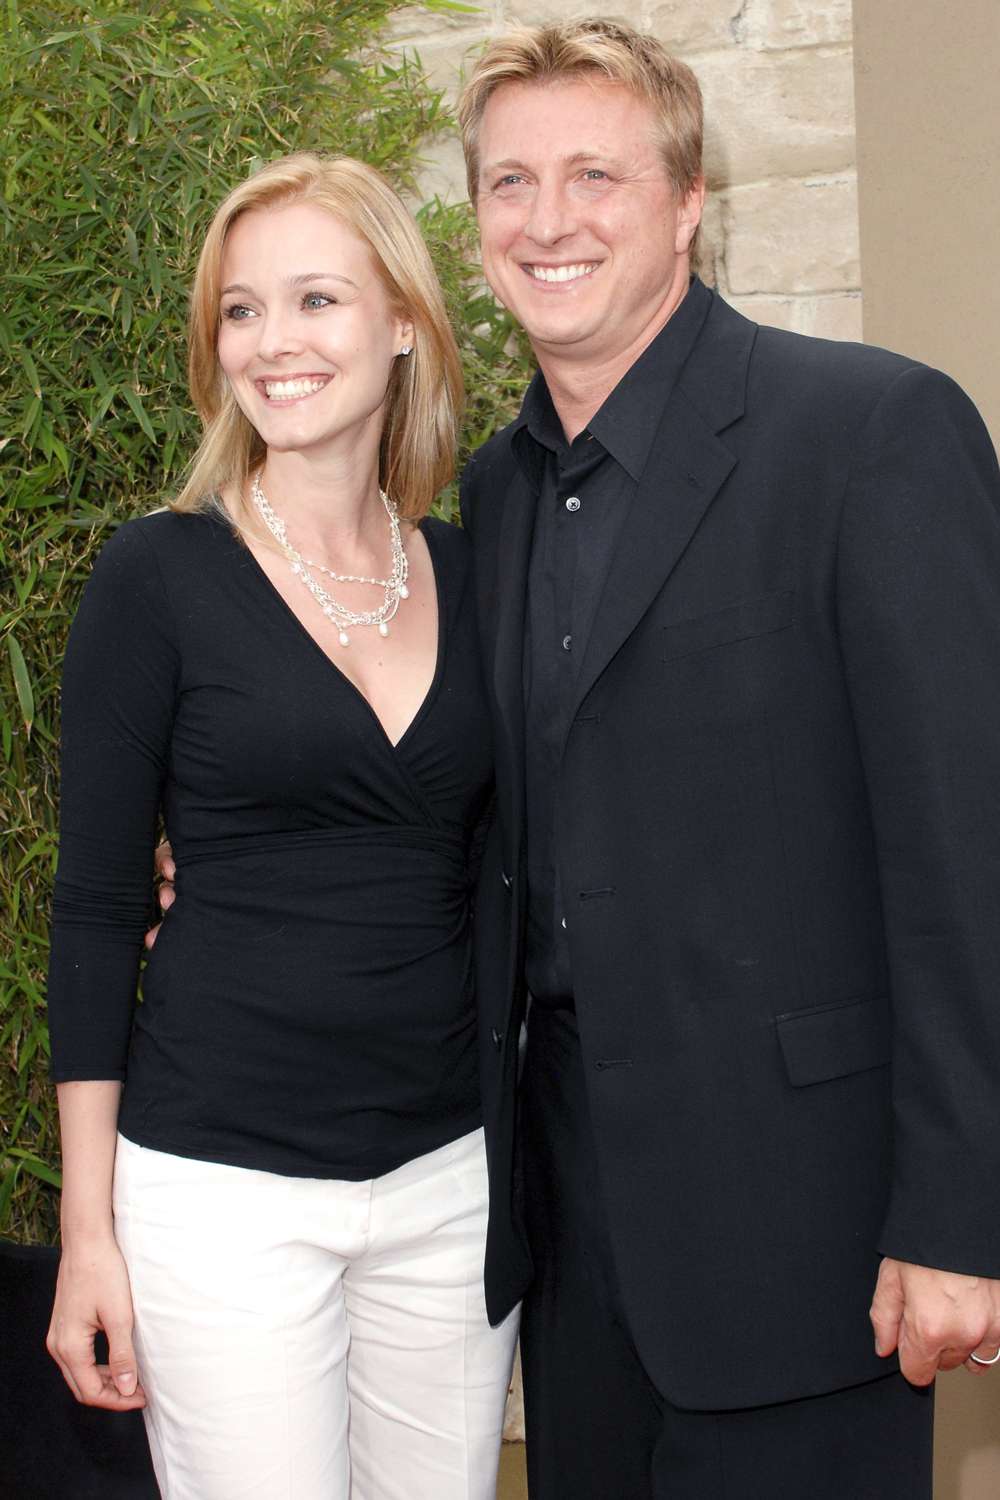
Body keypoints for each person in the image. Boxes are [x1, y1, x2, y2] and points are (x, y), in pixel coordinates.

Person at [452, 20, 1000, 1500]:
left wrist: (963, 1217)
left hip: (815, 1241)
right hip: (573, 1243)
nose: (547, 220)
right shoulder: (487, 497)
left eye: (592, 176)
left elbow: (966, 858)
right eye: (509, 183)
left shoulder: (872, 433)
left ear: (689, 201)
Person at [44, 152, 517, 1500]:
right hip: (222, 1192)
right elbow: (92, 906)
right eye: (240, 311)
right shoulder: (159, 576)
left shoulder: (478, 571)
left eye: (315, 298)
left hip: (449, 1181)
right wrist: (90, 1233)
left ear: (405, 324)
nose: (273, 343)